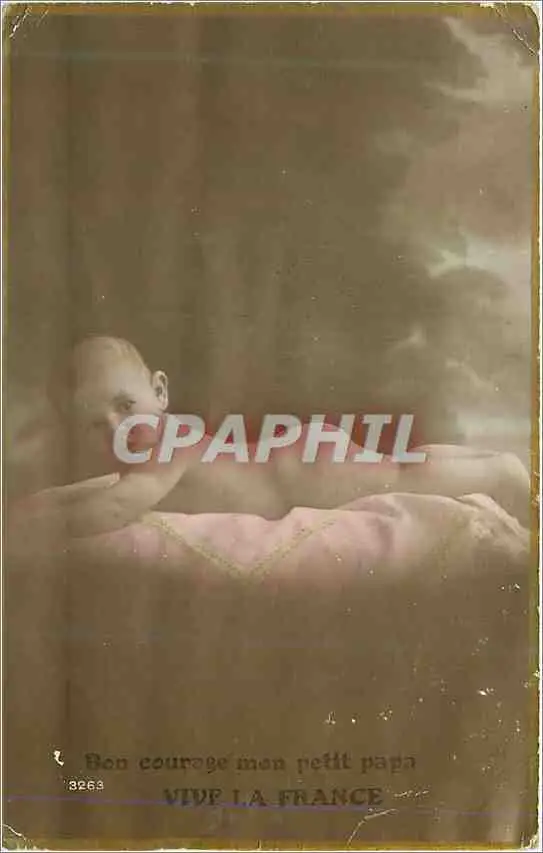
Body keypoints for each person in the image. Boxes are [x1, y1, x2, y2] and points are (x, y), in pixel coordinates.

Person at [9, 336, 531, 540]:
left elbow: (114, 508)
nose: (118, 429)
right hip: (295, 457)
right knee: (401, 464)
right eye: (94, 424)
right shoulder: (150, 454)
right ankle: (484, 460)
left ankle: (499, 471)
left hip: (301, 472)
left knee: (401, 474)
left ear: (160, 392)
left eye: (125, 406)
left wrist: (26, 525)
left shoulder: (166, 445)